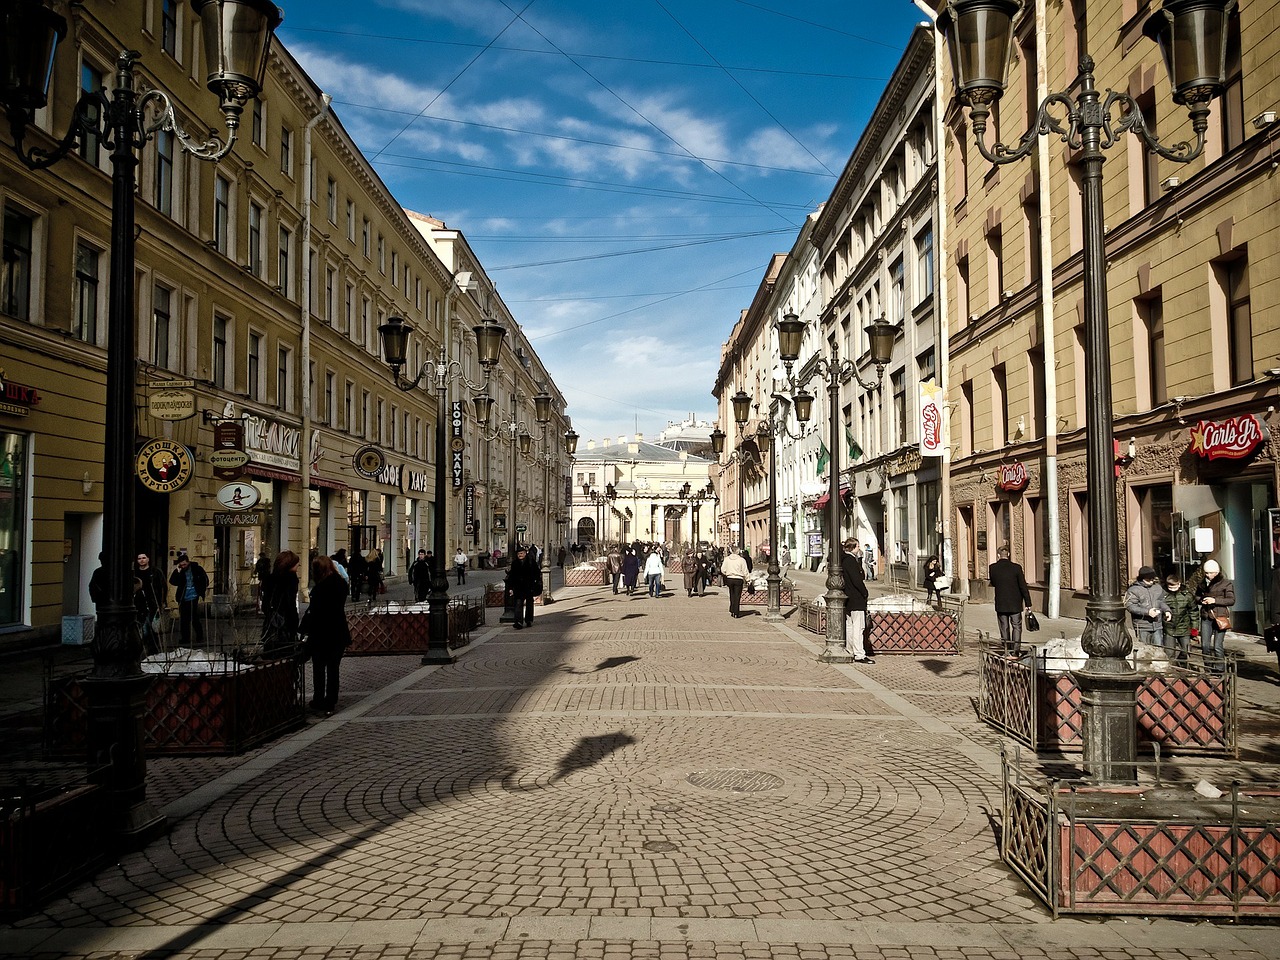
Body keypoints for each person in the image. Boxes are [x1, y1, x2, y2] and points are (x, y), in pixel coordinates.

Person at [300, 554, 350, 716]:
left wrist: (305, 629)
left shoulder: (320, 589)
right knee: (333, 668)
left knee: (319, 668)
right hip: (338, 632)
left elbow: (315, 613)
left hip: (321, 634)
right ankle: (331, 700)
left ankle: (319, 699)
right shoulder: (341, 584)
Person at [989, 545, 1032, 655]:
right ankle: (1016, 651)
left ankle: (1006, 650)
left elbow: (993, 583)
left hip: (1001, 603)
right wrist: (1028, 602)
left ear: (998, 555)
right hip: (1015, 603)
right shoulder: (1016, 567)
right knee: (1017, 626)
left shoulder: (993, 568)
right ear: (1008, 554)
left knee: (1004, 627)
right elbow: (1023, 586)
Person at [1196, 559, 1234, 675]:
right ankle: (1208, 668)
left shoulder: (1226, 583)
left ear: (1216, 572)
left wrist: (1214, 600)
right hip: (1206, 616)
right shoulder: (1202, 583)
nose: (1208, 575)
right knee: (1205, 645)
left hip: (1220, 617)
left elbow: (1231, 600)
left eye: (1211, 573)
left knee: (1218, 645)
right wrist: (1202, 600)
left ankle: (1219, 669)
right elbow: (1197, 597)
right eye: (1206, 573)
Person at [261, 550, 301, 658]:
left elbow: (264, 605)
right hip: (285, 624)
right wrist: (294, 623)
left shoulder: (270, 579)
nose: (298, 567)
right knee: (286, 656)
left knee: (271, 657)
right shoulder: (291, 579)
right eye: (297, 565)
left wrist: (271, 615)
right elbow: (290, 604)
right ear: (290, 565)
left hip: (271, 623)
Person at [841, 538, 873, 663]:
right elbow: (857, 580)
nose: (859, 549)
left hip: (847, 598)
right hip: (856, 598)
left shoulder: (844, 560)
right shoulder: (851, 561)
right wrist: (865, 592)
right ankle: (859, 654)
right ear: (853, 547)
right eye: (858, 546)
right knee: (858, 628)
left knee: (849, 626)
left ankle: (850, 650)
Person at [1125, 565, 1170, 650]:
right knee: (1144, 650)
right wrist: (1147, 612)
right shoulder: (1133, 590)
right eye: (1148, 580)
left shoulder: (1157, 588)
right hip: (1142, 626)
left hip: (1157, 624)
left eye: (1152, 579)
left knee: (1158, 650)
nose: (1151, 582)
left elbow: (1162, 601)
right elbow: (1130, 606)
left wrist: (1167, 610)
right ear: (1142, 578)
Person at [169, 552, 209, 646]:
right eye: (181, 565)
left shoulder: (197, 569)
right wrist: (177, 571)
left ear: (188, 562)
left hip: (194, 597)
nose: (183, 566)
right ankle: (185, 638)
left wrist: (201, 590)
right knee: (184, 619)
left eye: (184, 564)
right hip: (183, 597)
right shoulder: (180, 571)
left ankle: (199, 636)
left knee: (194, 617)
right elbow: (173, 581)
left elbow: (205, 579)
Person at [134, 551, 168, 655]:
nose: (142, 560)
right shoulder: (135, 573)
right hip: (139, 604)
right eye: (139, 558)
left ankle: (153, 651)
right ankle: (146, 651)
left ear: (148, 559)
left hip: (152, 603)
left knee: (149, 628)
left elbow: (163, 587)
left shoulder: (155, 572)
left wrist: (161, 602)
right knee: (142, 628)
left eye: (143, 558)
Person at [1163, 571, 1196, 668]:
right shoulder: (1164, 595)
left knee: (1186, 651)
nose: (1173, 589)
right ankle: (1171, 670)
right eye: (1170, 587)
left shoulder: (1187, 595)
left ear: (1179, 584)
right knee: (1169, 653)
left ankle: (1183, 667)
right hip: (1169, 628)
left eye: (1175, 587)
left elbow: (1193, 612)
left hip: (1184, 627)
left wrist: (1194, 628)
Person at [506, 544, 541, 628]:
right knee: (518, 604)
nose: (520, 555)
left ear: (525, 553)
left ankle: (528, 620)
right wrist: (510, 588)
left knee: (529, 604)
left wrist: (535, 582)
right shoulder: (515, 563)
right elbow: (512, 576)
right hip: (518, 587)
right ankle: (518, 622)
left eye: (521, 553)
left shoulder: (530, 561)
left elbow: (537, 573)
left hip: (529, 586)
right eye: (518, 554)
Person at [721, 548, 749, 618]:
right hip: (738, 579)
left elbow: (723, 569)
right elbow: (745, 571)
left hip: (730, 578)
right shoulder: (741, 560)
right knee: (737, 596)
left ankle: (732, 609)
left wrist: (727, 573)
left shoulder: (727, 559)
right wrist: (748, 579)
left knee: (732, 594)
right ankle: (736, 612)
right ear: (738, 551)